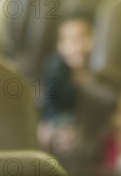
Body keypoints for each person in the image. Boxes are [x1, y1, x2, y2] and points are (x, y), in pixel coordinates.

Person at [36, 13, 95, 156]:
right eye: (68, 40)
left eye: (83, 37)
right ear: (59, 45)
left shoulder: (101, 70)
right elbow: (51, 107)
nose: (77, 46)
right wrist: (62, 127)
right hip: (66, 121)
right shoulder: (55, 69)